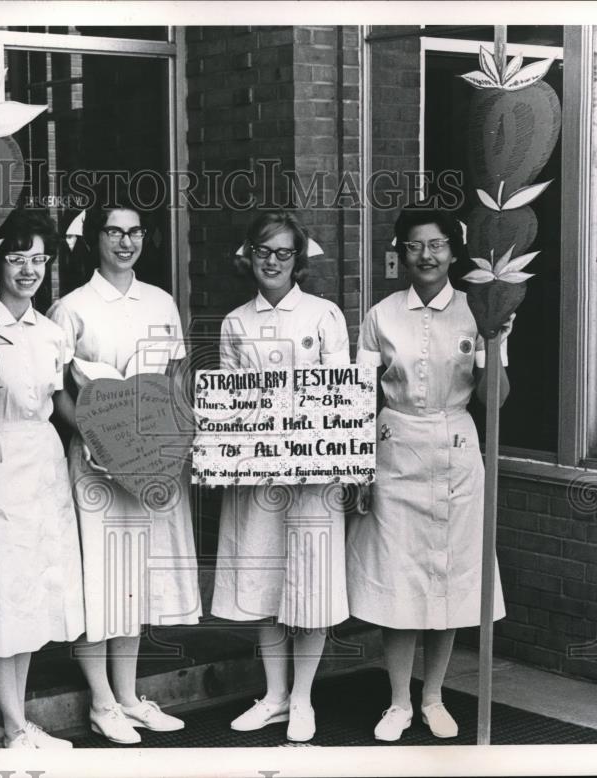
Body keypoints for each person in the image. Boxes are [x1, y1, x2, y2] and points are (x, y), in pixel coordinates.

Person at [346, 207, 514, 742]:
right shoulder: (380, 315)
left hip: (457, 448)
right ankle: (398, 702)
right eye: (416, 246)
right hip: (395, 449)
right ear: (401, 252)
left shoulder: (478, 311)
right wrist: (359, 469)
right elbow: (359, 396)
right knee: (400, 578)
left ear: (452, 250)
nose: (427, 256)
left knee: (447, 578)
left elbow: (496, 400)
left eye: (437, 245)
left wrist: (493, 342)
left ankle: (434, 697)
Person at [49, 190, 201, 745]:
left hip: (148, 465)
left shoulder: (161, 302)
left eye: (135, 232)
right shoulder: (70, 307)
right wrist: (94, 435)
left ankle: (131, 696)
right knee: (100, 581)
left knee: (132, 580)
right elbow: (56, 389)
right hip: (94, 464)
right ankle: (101, 701)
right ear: (95, 240)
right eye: (115, 232)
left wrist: (168, 438)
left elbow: (177, 377)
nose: (126, 242)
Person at [210, 210, 351, 743]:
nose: (272, 262)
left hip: (313, 475)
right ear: (249, 255)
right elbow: (228, 402)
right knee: (267, 583)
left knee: (309, 585)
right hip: (257, 477)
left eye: (283, 253)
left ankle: (302, 698)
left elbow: (341, 397)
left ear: (298, 260)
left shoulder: (323, 316)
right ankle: (272, 695)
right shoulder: (234, 323)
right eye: (263, 251)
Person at [0, 209, 85, 749]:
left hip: (44, 461)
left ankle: (14, 722)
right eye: (17, 258)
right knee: (0, 591)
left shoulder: (51, 331)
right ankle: (13, 726)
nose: (29, 269)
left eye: (39, 259)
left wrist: (108, 438)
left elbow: (61, 402)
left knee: (33, 592)